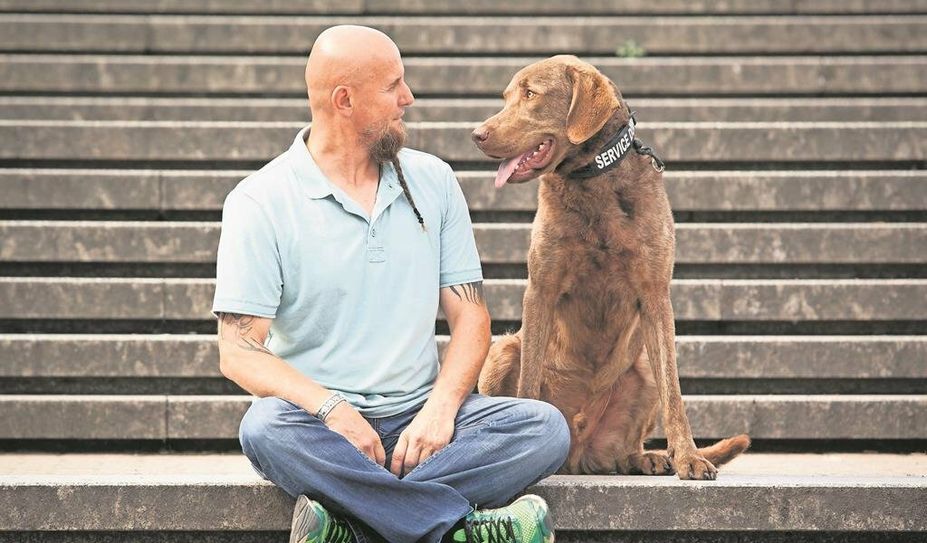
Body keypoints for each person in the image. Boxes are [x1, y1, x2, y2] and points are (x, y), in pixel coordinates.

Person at [211, 25, 571, 543]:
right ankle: (457, 530)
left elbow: (471, 317)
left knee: (543, 428)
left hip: (421, 416)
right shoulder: (260, 201)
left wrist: (441, 408)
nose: (409, 98)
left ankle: (351, 527)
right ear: (344, 100)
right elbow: (239, 351)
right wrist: (332, 409)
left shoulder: (434, 181)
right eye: (392, 86)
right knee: (265, 429)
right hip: (320, 425)